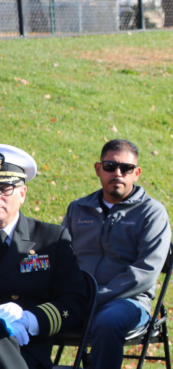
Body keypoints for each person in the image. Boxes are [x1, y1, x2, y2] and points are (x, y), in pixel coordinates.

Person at [62, 139, 172, 369]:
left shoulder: (152, 213)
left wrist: (95, 297)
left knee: (108, 321)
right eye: (110, 166)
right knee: (29, 314)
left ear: (137, 173)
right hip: (79, 298)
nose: (118, 173)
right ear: (98, 169)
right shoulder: (78, 208)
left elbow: (146, 272)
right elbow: (62, 259)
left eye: (126, 168)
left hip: (128, 301)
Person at [0, 145, 89, 369]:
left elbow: (75, 301)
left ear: (22, 194)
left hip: (24, 352)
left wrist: (30, 320)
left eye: (4, 188)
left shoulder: (51, 240)